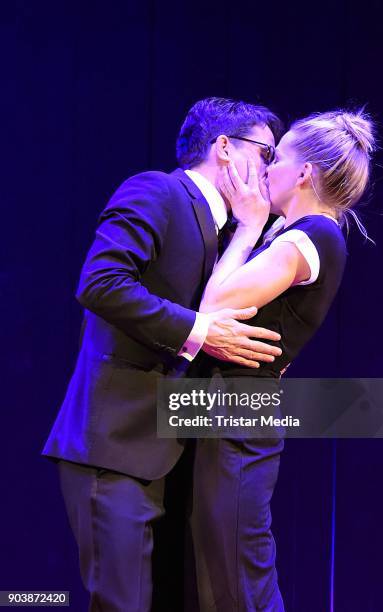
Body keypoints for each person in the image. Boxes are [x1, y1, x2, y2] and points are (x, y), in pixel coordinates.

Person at [41, 97, 285, 612]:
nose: (269, 171)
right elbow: (101, 283)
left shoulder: (233, 233)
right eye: (265, 154)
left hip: (179, 455)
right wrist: (200, 331)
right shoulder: (158, 189)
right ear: (224, 148)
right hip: (117, 447)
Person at [189, 109, 375, 611]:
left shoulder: (309, 236)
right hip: (225, 407)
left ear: (304, 174)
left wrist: (248, 226)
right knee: (218, 572)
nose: (265, 169)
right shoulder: (297, 233)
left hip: (238, 412)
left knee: (238, 574)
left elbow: (215, 306)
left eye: (277, 158)